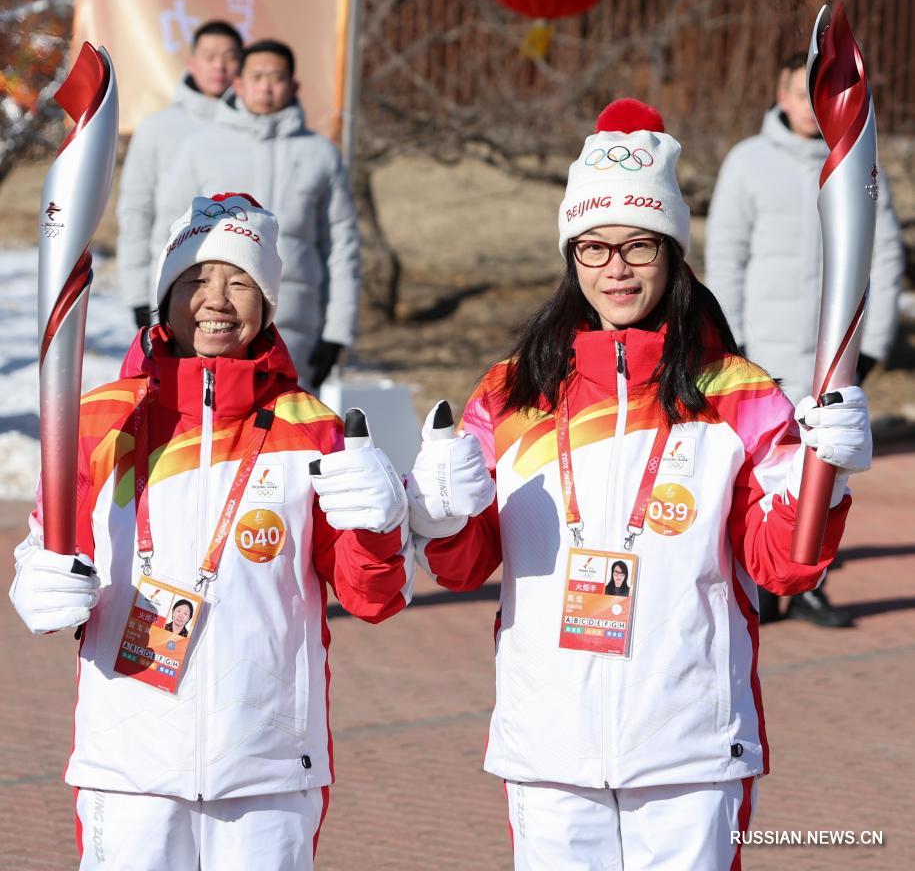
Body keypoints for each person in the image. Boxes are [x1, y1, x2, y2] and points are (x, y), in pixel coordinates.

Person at [404, 100, 872, 870]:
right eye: (592, 247)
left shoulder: (738, 393)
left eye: (636, 245)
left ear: (672, 252)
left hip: (687, 743)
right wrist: (444, 515)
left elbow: (781, 567)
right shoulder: (513, 392)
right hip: (548, 741)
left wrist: (828, 480)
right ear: (570, 255)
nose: (614, 268)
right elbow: (461, 566)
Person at [10, 194, 412, 870]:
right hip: (127, 765)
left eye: (240, 281)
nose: (216, 299)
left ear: (268, 303)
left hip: (267, 769)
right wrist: (37, 583)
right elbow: (49, 546)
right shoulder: (97, 420)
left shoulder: (311, 428)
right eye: (196, 277)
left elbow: (371, 596)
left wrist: (378, 527)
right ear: (164, 295)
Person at [705, 52, 904, 628]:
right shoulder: (748, 161)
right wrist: (727, 343)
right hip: (761, 353)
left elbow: (884, 253)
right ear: (781, 92)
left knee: (830, 465)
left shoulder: (859, 162)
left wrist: (873, 341)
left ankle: (812, 583)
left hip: (831, 355)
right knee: (763, 469)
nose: (807, 107)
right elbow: (727, 255)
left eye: (818, 97)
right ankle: (762, 579)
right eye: (798, 92)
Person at [151, 39, 361, 391]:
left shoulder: (320, 155)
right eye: (257, 76)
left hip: (298, 331)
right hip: (211, 325)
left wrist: (337, 333)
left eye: (276, 77)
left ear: (293, 86)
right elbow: (168, 238)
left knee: (288, 433)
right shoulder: (201, 147)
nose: (266, 86)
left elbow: (342, 248)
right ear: (239, 83)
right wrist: (158, 312)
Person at [117, 19, 243, 330]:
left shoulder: (254, 134)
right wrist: (138, 295)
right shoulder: (157, 129)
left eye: (229, 57)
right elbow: (137, 211)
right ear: (191, 63)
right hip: (173, 281)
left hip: (238, 289)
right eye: (210, 56)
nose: (219, 66)